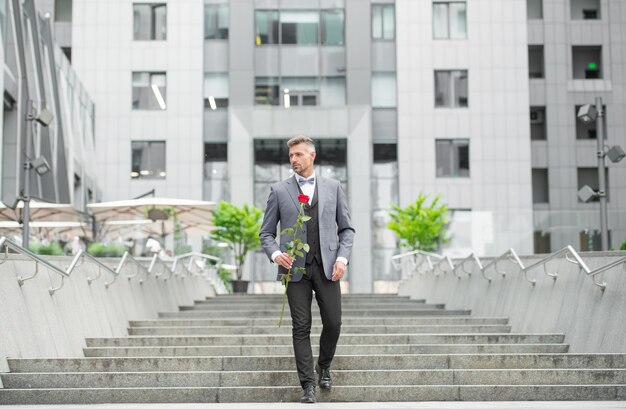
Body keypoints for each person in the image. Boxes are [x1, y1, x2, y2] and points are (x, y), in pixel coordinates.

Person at [259, 135, 355, 404]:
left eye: (299, 154)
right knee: (301, 326)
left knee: (333, 323)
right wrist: (277, 254)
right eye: (291, 155)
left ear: (312, 156)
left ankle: (324, 366)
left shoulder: (334, 187)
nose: (294, 159)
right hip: (295, 270)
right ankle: (308, 385)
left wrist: (342, 259)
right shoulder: (278, 191)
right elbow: (266, 233)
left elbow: (346, 229)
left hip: (327, 268)